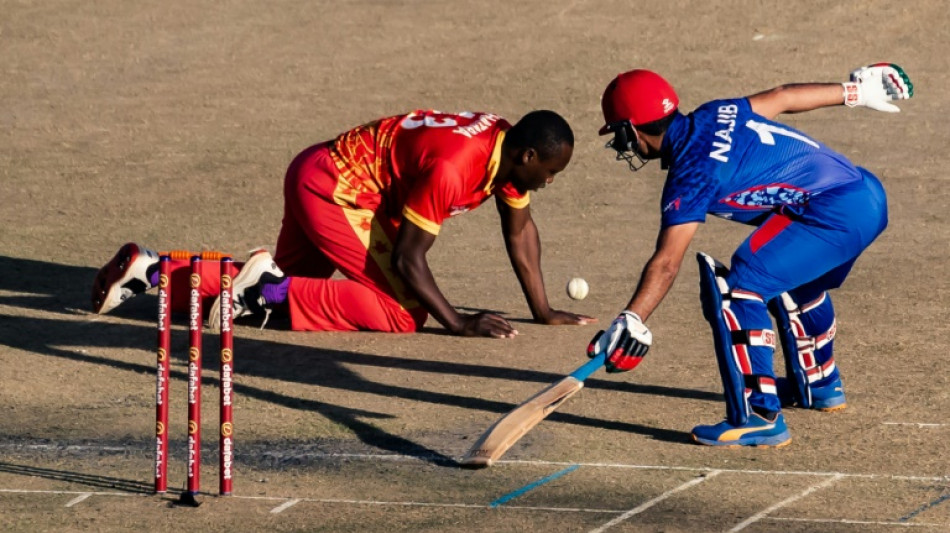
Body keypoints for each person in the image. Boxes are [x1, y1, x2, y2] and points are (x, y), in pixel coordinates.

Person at [586, 64, 913, 446]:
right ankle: (819, 383)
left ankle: (759, 417)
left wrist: (633, 317)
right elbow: (784, 96)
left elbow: (667, 261)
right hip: (864, 191)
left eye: (619, 134)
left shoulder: (691, 174)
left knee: (741, 284)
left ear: (630, 129)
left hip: (835, 211)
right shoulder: (715, 112)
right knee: (785, 274)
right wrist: (853, 93)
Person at [92, 109, 595, 337]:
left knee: (280, 284)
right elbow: (408, 258)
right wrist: (458, 322)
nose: (549, 182)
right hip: (335, 191)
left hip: (317, 170)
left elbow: (521, 233)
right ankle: (267, 293)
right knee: (404, 311)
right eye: (550, 172)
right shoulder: (456, 166)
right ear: (529, 156)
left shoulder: (505, 152)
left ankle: (151, 273)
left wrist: (544, 310)